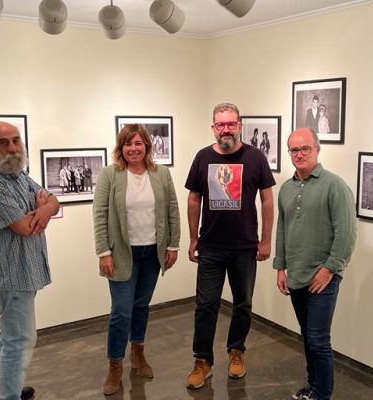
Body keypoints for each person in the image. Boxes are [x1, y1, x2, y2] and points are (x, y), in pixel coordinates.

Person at [184, 103, 275, 389]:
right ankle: (202, 361)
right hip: (210, 245)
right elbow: (193, 199)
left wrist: (266, 240)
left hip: (245, 246)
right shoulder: (202, 157)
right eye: (220, 124)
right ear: (213, 127)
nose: (226, 129)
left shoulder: (255, 157)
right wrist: (193, 238)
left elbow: (268, 200)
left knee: (243, 304)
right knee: (206, 305)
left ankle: (237, 351)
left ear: (239, 126)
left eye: (231, 124)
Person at [0, 121, 59, 400]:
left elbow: (54, 200)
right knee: (19, 340)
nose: (12, 147)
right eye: (3, 142)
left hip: (24, 270)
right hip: (10, 274)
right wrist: (43, 210)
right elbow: (23, 228)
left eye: (16, 140)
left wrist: (44, 208)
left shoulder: (17, 174)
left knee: (10, 337)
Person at [93, 124, 181, 395]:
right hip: (121, 253)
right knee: (121, 311)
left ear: (147, 147)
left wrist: (173, 245)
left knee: (141, 306)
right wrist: (103, 252)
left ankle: (138, 354)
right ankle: (115, 365)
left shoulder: (161, 173)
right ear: (121, 148)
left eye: (138, 144)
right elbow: (99, 214)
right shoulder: (111, 174)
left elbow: (172, 210)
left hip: (152, 252)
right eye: (128, 144)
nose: (133, 148)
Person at [274, 128, 356, 400]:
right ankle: (312, 387)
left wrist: (329, 269)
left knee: (319, 340)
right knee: (308, 338)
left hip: (323, 278)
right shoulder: (286, 188)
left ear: (317, 149)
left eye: (305, 148)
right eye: (294, 150)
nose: (299, 155)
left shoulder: (335, 186)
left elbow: (346, 234)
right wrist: (280, 267)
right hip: (295, 274)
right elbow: (282, 230)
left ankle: (322, 394)